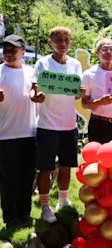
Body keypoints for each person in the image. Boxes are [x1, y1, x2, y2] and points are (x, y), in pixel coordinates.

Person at [31, 27, 82, 223]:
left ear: (70, 42)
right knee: (45, 168)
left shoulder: (76, 64)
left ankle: (63, 199)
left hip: (69, 125)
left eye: (66, 39)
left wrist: (79, 92)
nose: (62, 43)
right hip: (47, 125)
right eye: (58, 40)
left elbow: (77, 91)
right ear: (50, 42)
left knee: (67, 165)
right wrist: (36, 96)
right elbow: (35, 88)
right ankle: (45, 206)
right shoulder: (43, 62)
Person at [0, 35, 36, 228]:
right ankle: (9, 218)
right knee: (8, 180)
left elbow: (39, 94)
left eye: (13, 50)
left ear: (23, 52)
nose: (9, 53)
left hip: (30, 134)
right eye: (6, 49)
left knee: (27, 178)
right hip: (5, 136)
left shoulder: (32, 72)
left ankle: (25, 215)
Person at [81, 38, 112, 144]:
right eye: (105, 49)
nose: (108, 52)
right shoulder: (89, 74)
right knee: (98, 158)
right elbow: (84, 103)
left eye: (111, 49)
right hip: (99, 124)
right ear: (97, 53)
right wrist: (99, 102)